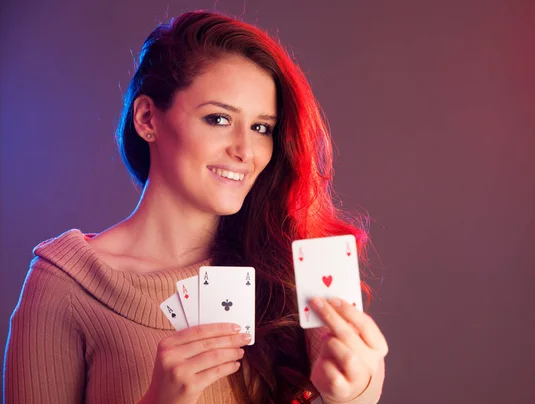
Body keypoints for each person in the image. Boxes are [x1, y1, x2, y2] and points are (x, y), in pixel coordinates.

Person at [3, 10, 388, 404]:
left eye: (261, 128)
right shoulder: (67, 284)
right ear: (147, 117)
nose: (245, 151)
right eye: (218, 118)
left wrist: (357, 394)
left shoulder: (285, 275)